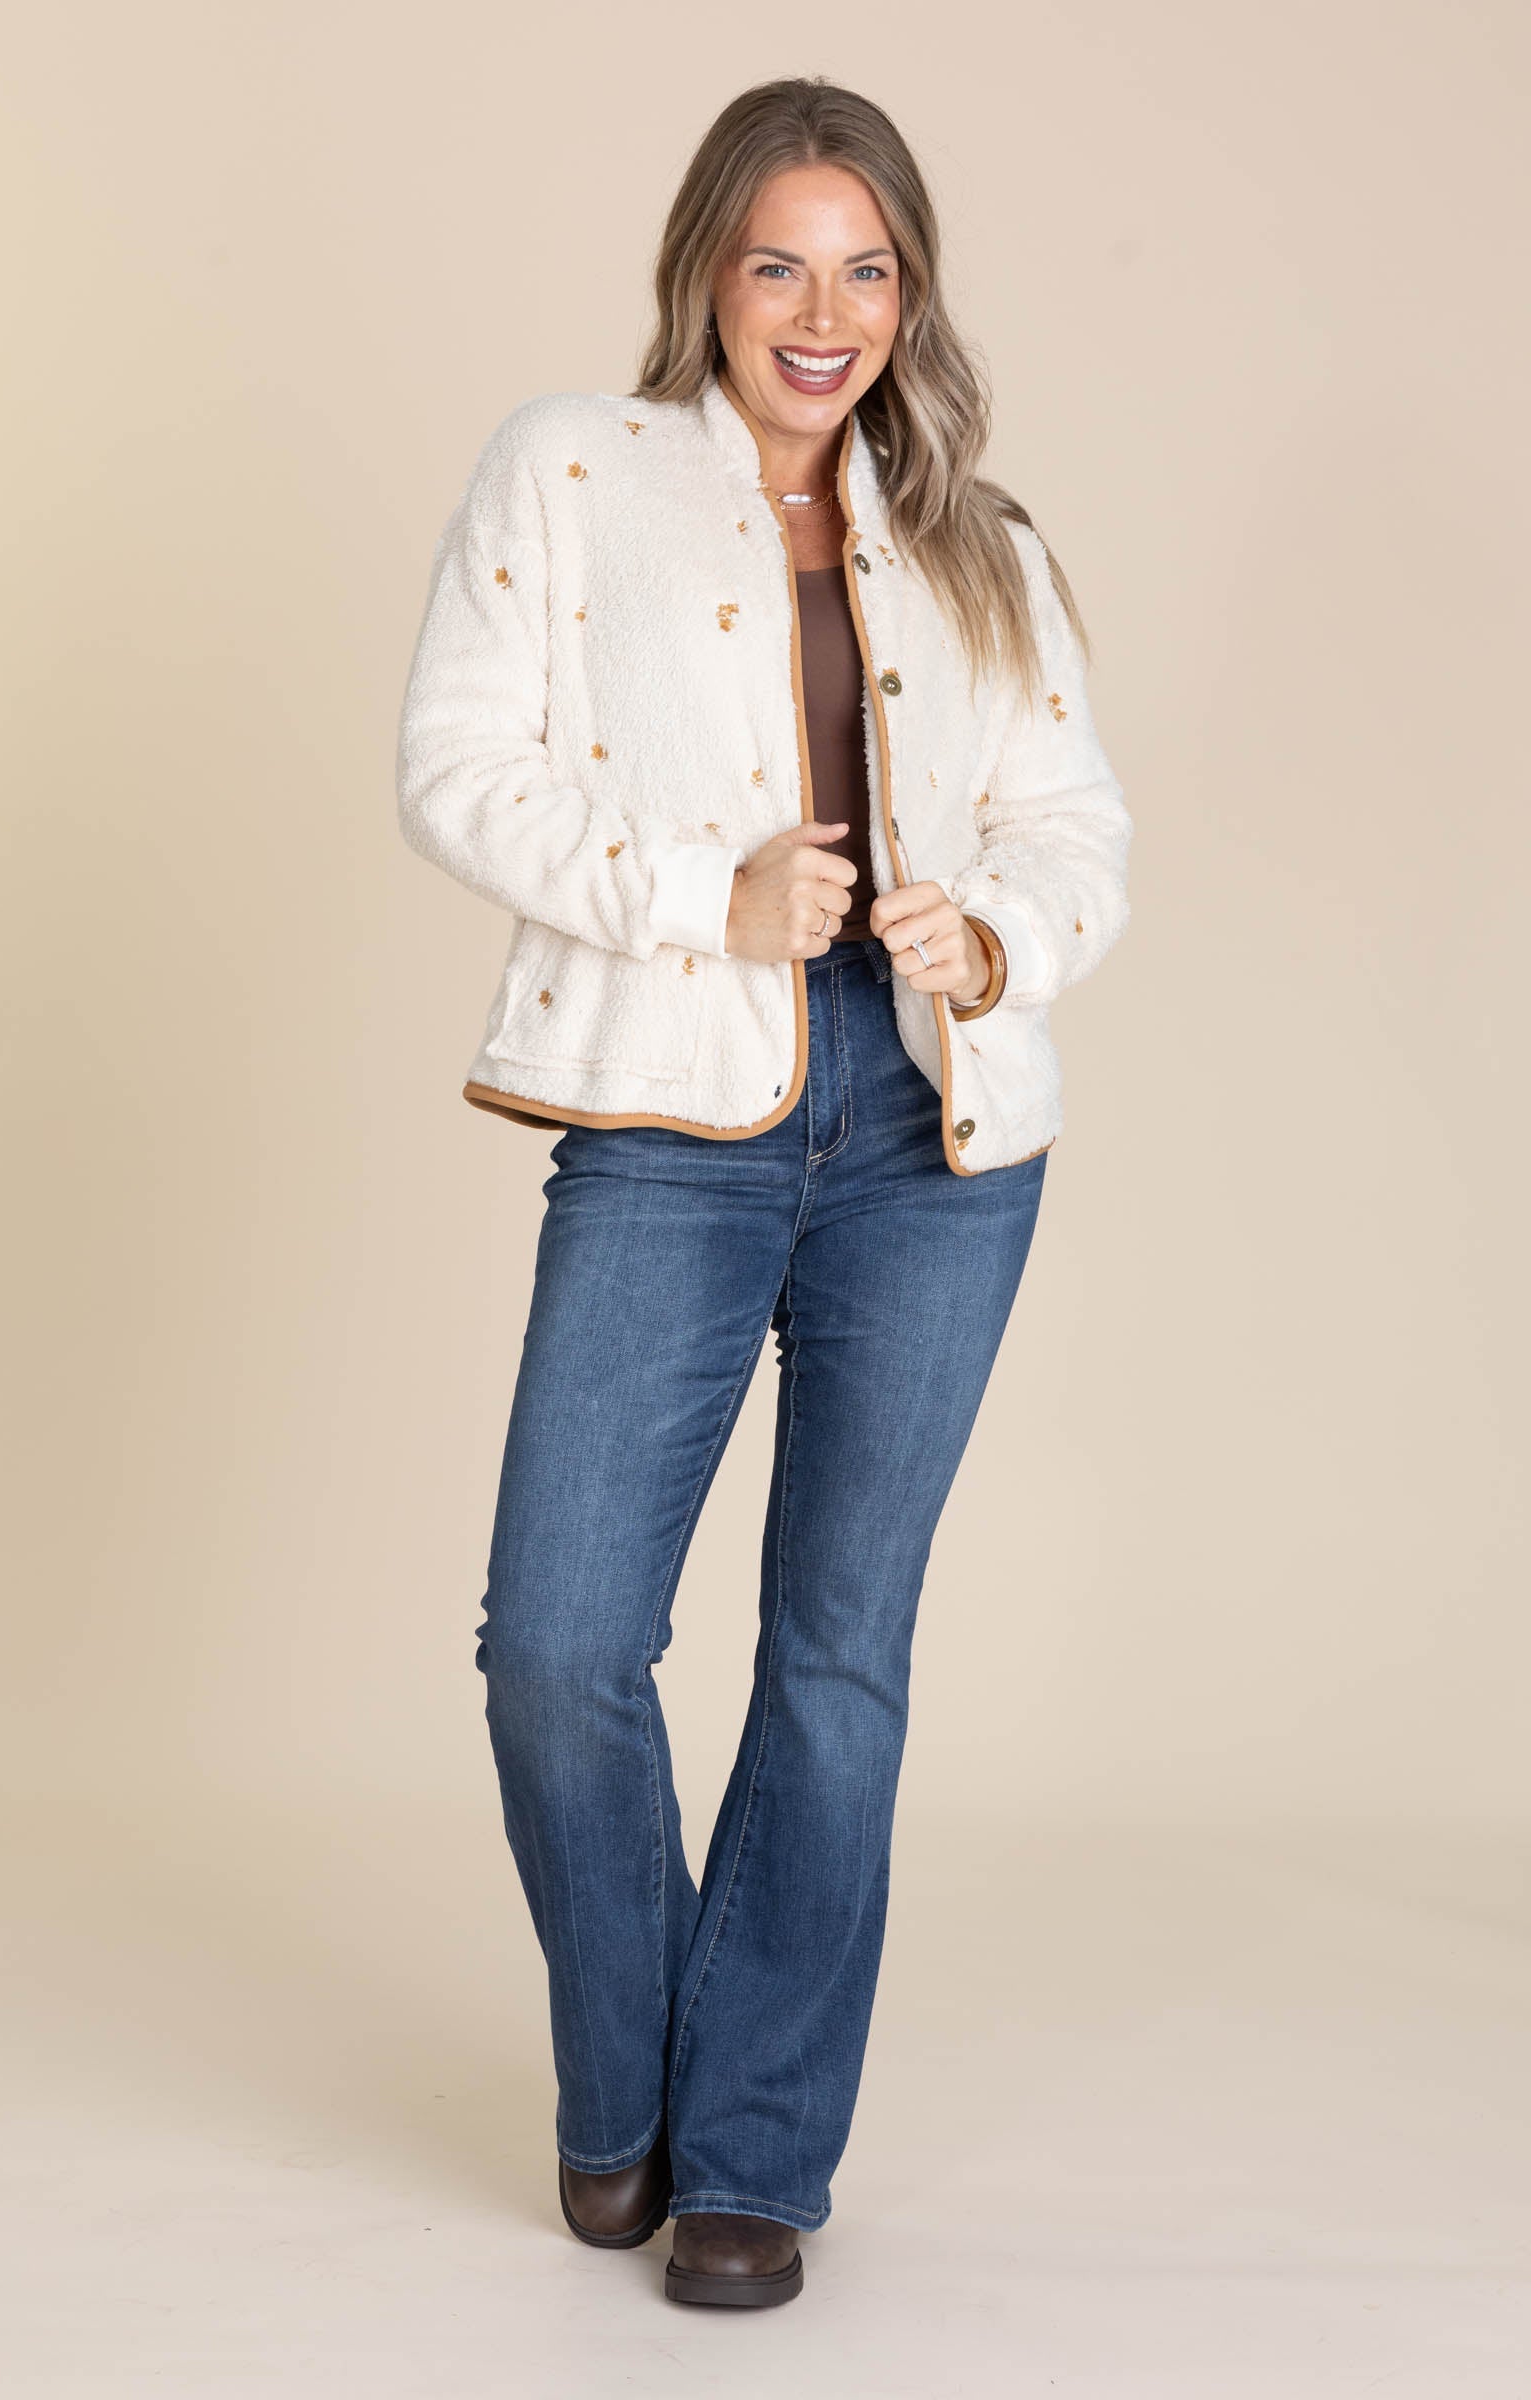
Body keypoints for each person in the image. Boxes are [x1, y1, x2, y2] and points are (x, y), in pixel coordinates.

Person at [395, 74, 1132, 2310]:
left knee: (835, 1657)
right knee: (559, 1645)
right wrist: (690, 896)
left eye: (867, 270)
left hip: (932, 1138)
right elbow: (455, 764)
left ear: (911, 295)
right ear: (705, 274)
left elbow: (1073, 829)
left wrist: (988, 937)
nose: (824, 314)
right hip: (669, 1115)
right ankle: (622, 2082)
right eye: (780, 264)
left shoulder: (984, 545)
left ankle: (749, 2157)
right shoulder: (572, 471)